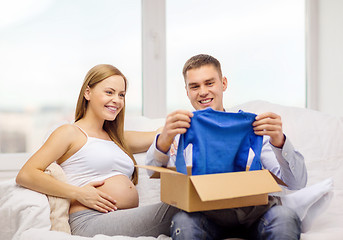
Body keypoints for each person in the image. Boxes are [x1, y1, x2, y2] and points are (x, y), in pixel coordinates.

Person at [146, 54, 319, 239]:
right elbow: (153, 171)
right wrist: (164, 140)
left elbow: (297, 182)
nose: (203, 92)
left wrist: (280, 141)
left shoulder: (254, 128)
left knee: (285, 217)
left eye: (209, 83)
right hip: (204, 215)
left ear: (224, 84)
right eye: (195, 86)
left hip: (257, 213)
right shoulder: (178, 132)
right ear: (187, 92)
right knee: (183, 222)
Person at [16, 64, 179, 237]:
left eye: (121, 95)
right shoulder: (70, 133)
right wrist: (78, 193)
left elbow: (159, 134)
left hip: (121, 217)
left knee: (188, 210)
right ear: (88, 93)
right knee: (181, 204)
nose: (117, 100)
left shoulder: (118, 138)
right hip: (89, 220)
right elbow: (26, 174)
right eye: (109, 92)